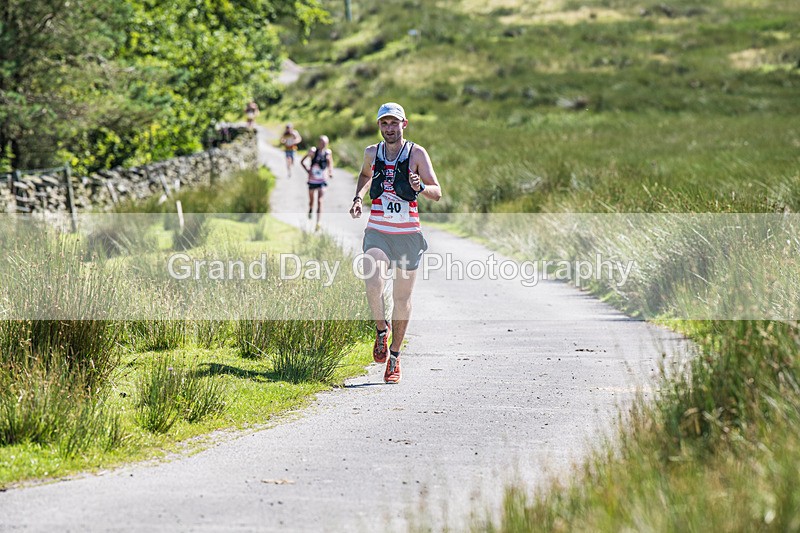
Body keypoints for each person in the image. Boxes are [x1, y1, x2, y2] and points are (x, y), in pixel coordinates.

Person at [349, 102, 442, 384]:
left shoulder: (416, 153)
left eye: (394, 123)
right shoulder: (371, 152)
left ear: (405, 124)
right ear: (379, 126)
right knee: (372, 280)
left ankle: (395, 358)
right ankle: (381, 330)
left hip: (408, 235)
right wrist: (358, 198)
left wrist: (420, 187)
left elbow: (437, 192)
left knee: (401, 299)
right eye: (384, 123)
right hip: (378, 230)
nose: (389, 128)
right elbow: (366, 175)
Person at [300, 135, 334, 230]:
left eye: (325, 143)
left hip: (322, 180)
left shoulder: (328, 153)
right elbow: (302, 161)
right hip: (312, 180)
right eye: (322, 143)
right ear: (318, 143)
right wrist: (307, 170)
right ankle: (310, 209)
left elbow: (330, 163)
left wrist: (330, 172)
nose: (323, 145)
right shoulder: (313, 151)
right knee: (311, 201)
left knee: (320, 201)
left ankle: (318, 222)